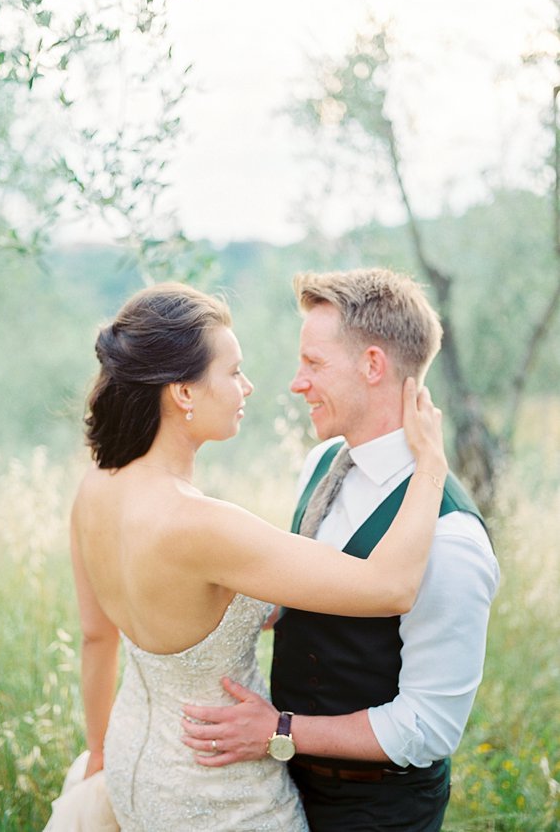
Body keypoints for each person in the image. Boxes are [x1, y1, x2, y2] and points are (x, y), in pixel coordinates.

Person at [44, 282, 448, 832]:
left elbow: (97, 638)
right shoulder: (203, 525)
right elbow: (390, 588)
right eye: (232, 372)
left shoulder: (94, 488)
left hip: (135, 766)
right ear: (183, 393)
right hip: (219, 796)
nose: (248, 386)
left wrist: (97, 753)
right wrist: (430, 466)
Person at [180, 269, 499, 831]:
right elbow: (303, 602)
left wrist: (279, 731)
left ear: (373, 366)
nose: (296, 383)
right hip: (281, 792)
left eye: (314, 364)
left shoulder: (452, 539)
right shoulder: (323, 462)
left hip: (378, 812)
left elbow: (428, 727)